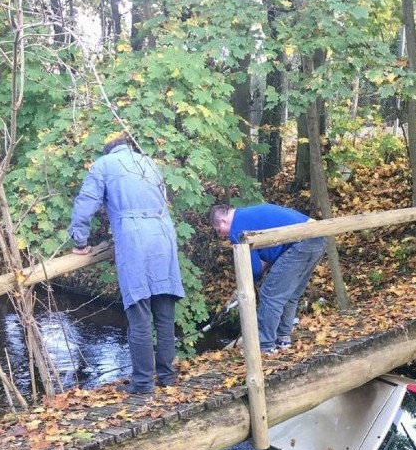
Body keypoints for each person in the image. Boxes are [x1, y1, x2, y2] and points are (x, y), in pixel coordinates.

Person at [70, 133, 184, 394]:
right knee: (165, 315)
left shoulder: (103, 165)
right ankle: (166, 377)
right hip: (164, 237)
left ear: (107, 150)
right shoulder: (149, 163)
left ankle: (143, 383)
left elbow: (86, 203)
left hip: (135, 240)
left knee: (140, 314)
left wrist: (80, 242)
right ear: (128, 147)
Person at [210, 203, 326, 353]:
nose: (222, 235)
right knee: (290, 293)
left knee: (270, 295)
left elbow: (254, 269)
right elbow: (264, 260)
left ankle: (266, 345)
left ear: (224, 221)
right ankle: (282, 338)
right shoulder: (247, 215)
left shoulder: (236, 229)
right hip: (318, 238)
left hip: (301, 243)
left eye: (219, 231)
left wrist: (248, 285)